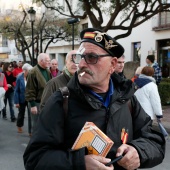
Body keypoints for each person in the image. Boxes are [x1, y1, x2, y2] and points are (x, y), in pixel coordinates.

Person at [24, 28, 165, 170]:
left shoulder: (127, 100)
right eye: (80, 57)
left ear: (113, 64)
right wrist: (79, 163)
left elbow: (155, 141)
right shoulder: (61, 101)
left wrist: (139, 152)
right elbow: (34, 159)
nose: (83, 64)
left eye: (92, 57)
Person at [25, 53, 51, 132]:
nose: (49, 62)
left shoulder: (47, 70)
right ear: (41, 61)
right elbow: (30, 89)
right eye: (47, 60)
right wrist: (33, 105)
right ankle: (35, 143)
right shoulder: (33, 72)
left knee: (45, 125)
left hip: (46, 102)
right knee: (37, 126)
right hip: (36, 103)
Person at [14, 63, 33, 136]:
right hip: (21, 98)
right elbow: (16, 90)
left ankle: (31, 131)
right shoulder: (19, 78)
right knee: (21, 113)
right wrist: (17, 102)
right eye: (29, 70)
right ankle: (19, 125)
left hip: (29, 98)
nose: (30, 72)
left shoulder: (31, 77)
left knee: (31, 115)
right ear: (25, 71)